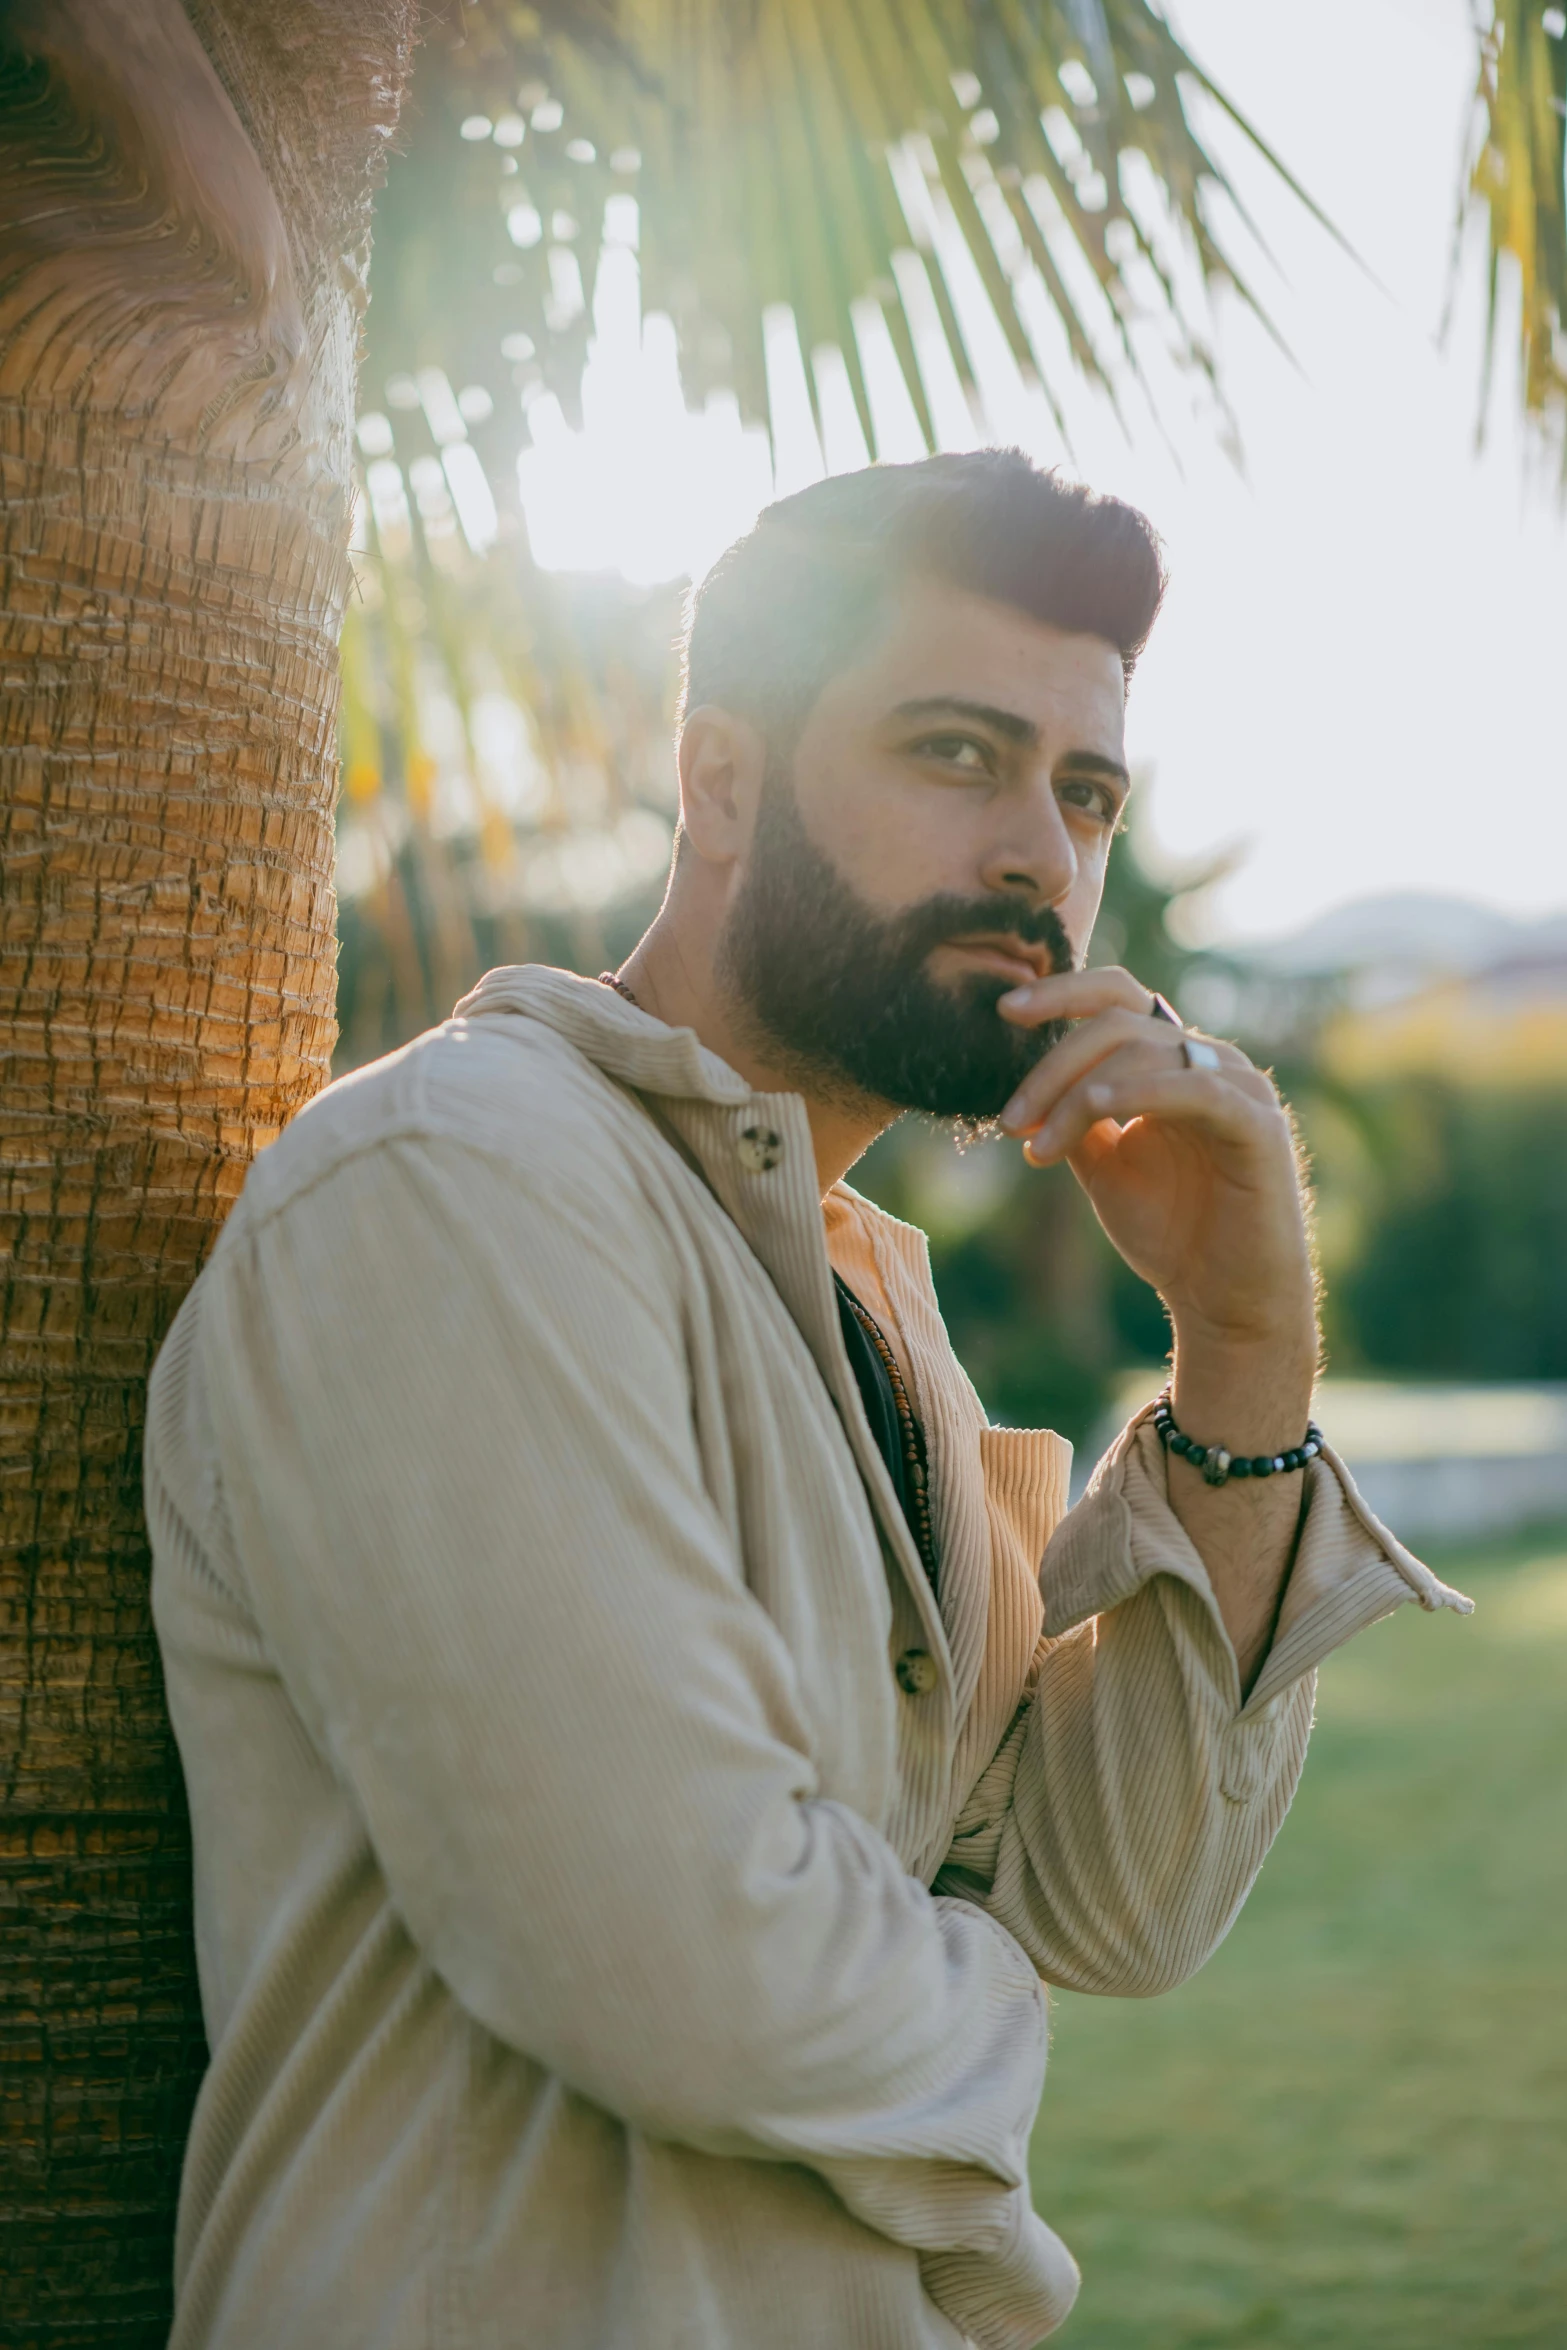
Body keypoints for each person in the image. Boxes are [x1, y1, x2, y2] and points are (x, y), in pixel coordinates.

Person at [145, 451, 1468, 2350]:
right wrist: (984, 2004)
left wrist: (1244, 1347)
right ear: (719, 783)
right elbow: (676, 1950)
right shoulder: (460, 1180)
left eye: (1080, 789)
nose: (1040, 854)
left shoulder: (860, 1298)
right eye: (954, 752)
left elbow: (1114, 1901)